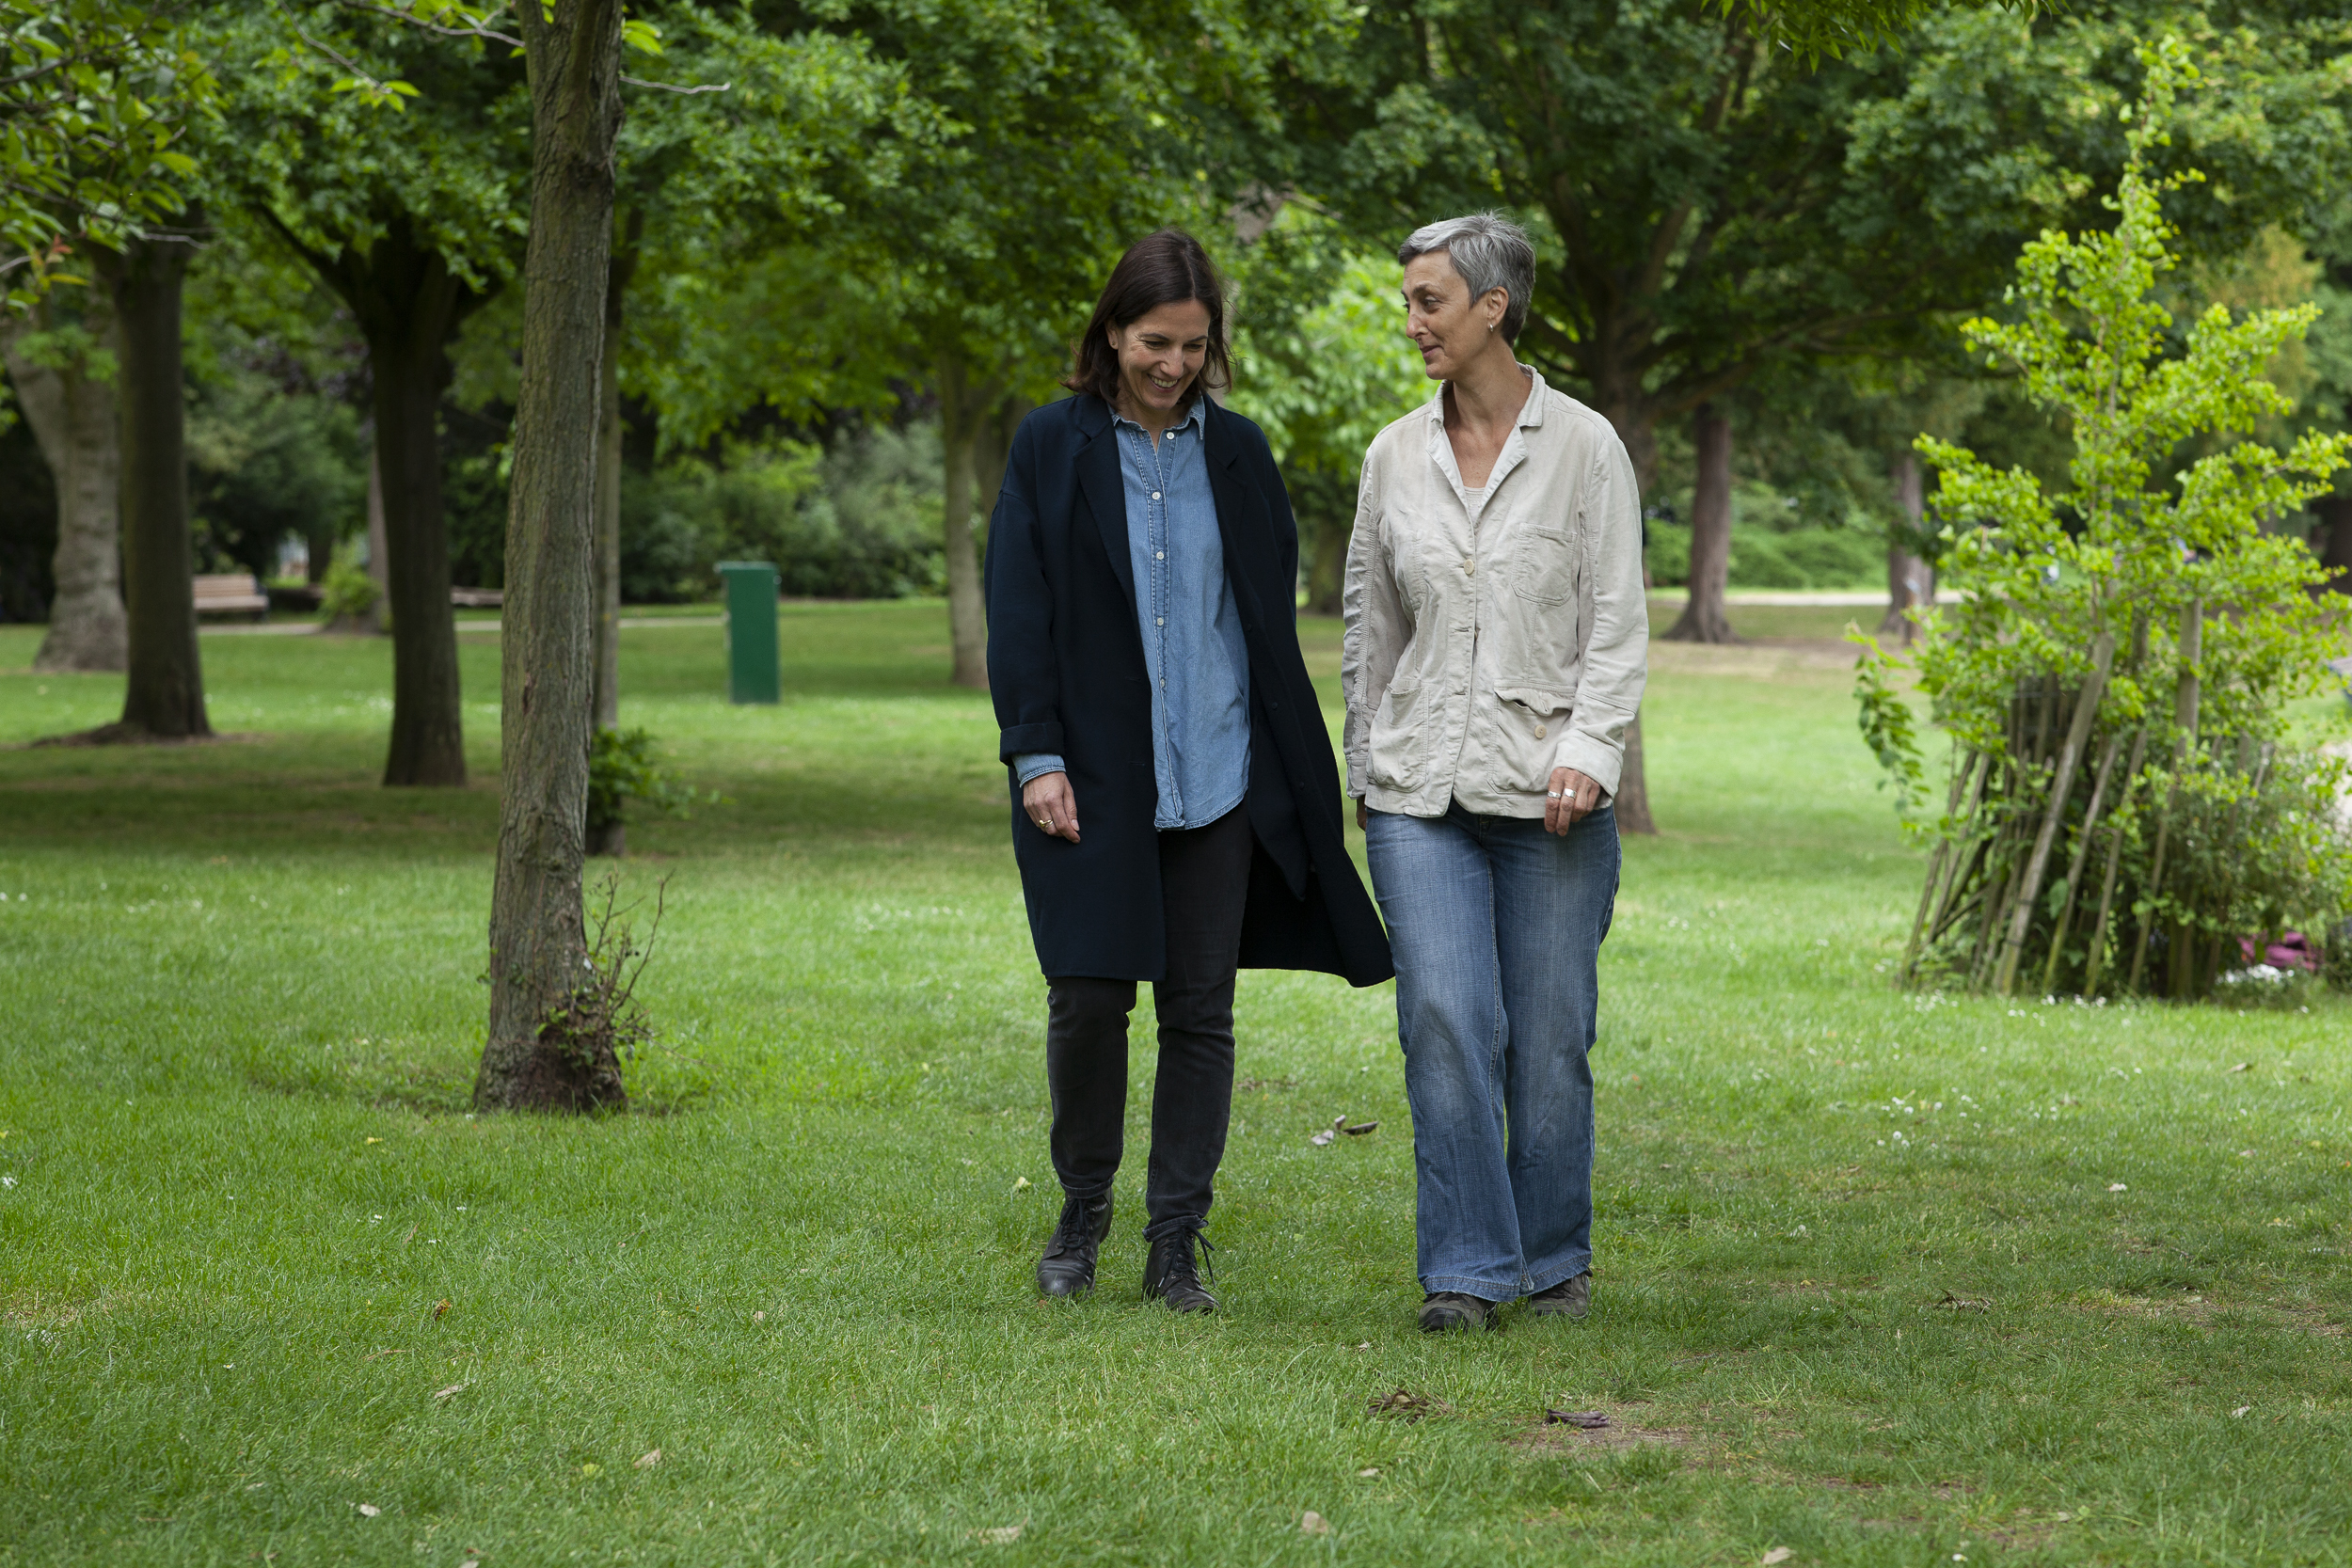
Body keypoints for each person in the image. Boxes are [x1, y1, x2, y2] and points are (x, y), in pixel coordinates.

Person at [986, 230, 1394, 1314]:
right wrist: (1036, 754)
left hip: (1219, 774)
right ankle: (1082, 1209)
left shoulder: (1240, 453)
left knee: (1200, 1011)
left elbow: (1259, 611)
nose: (1170, 364)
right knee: (1085, 998)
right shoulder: (1048, 446)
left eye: (1191, 346)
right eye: (1152, 341)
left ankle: (1177, 1237)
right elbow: (1018, 612)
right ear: (1111, 332)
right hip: (1088, 778)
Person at [1341, 213, 1647, 1333]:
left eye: (1429, 300)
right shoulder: (1390, 454)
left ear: (1491, 308)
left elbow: (1615, 619)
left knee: (1552, 1035)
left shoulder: (1585, 447)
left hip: (1550, 795)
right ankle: (1466, 1269)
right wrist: (1363, 767)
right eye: (1410, 299)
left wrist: (1589, 750)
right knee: (1443, 1016)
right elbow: (1369, 630)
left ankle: (1553, 1255)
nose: (1412, 320)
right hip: (1416, 791)